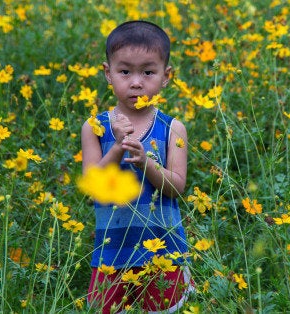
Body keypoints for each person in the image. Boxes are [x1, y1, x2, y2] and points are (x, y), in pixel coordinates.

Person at [81, 20, 193, 313]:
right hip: (112, 253)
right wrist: (118, 148)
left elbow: (176, 188)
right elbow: (93, 189)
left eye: (148, 71)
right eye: (125, 71)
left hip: (164, 252)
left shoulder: (173, 128)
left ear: (166, 76)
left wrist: (146, 162)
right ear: (108, 73)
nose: (136, 82)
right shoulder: (95, 127)